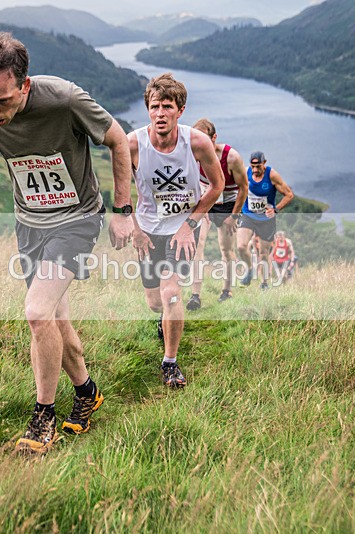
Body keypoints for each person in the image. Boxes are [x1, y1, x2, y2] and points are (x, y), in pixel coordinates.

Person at [0, 32, 134, 455]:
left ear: (24, 85)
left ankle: (42, 417)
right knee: (54, 321)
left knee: (36, 312)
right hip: (30, 224)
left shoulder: (64, 100)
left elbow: (118, 140)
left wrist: (122, 210)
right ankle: (87, 393)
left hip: (77, 218)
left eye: (2, 100)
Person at [129, 73, 224, 388]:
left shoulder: (195, 142)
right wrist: (134, 228)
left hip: (182, 229)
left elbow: (217, 186)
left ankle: (169, 362)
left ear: (180, 110)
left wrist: (190, 225)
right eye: (154, 106)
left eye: (167, 107)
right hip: (147, 230)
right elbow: (121, 192)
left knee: (171, 295)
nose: (160, 113)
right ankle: (164, 321)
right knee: (155, 302)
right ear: (148, 109)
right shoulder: (132, 144)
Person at [185, 118, 248, 310]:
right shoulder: (193, 153)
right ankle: (195, 296)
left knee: (226, 249)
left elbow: (244, 188)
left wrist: (234, 216)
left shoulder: (232, 157)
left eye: (206, 140)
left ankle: (226, 290)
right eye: (197, 140)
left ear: (215, 138)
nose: (202, 145)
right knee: (197, 245)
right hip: (206, 200)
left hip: (228, 205)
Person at [236, 151, 293, 290]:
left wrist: (276, 209)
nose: (255, 170)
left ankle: (264, 283)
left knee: (263, 252)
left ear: (264, 163)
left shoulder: (272, 175)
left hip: (266, 219)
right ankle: (250, 269)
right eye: (253, 166)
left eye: (258, 166)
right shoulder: (245, 173)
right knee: (241, 247)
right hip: (248, 215)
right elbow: (238, 190)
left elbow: (289, 195)